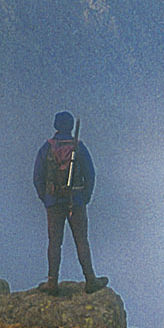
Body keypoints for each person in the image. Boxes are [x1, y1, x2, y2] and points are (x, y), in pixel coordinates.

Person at [33, 111, 108, 295]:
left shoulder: (46, 148)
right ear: (71, 127)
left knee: (54, 242)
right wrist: (85, 197)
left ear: (56, 126)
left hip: (53, 201)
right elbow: (90, 175)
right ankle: (90, 280)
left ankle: (52, 282)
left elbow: (37, 177)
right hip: (76, 201)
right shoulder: (79, 148)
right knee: (82, 241)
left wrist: (46, 198)